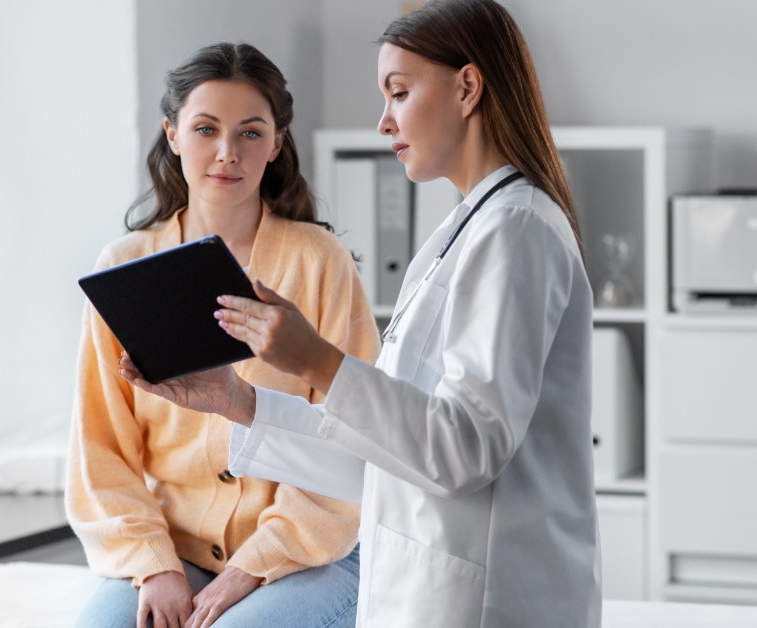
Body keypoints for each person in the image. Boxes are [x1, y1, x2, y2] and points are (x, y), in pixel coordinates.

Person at [122, 1, 601, 626]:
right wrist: (237, 401)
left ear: (468, 86)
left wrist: (316, 360)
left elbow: (464, 451)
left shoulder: (517, 230)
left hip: (487, 600)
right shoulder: (467, 230)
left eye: (399, 93)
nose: (383, 121)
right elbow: (386, 454)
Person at [67, 42, 381, 628]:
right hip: (175, 550)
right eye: (206, 129)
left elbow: (357, 434)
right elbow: (100, 450)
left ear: (278, 143)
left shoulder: (320, 263)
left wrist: (253, 566)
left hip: (314, 550)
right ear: (173, 134)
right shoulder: (123, 268)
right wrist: (154, 564)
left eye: (251, 133)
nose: (227, 153)